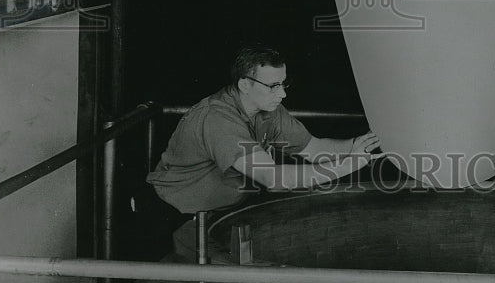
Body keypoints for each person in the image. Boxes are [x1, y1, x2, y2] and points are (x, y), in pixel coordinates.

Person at [146, 45, 381, 258]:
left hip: (222, 213)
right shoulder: (218, 118)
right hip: (178, 220)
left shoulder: (269, 110)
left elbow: (314, 148)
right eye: (273, 86)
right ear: (244, 84)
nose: (283, 94)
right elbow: (274, 179)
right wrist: (349, 165)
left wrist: (359, 144)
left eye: (284, 84)